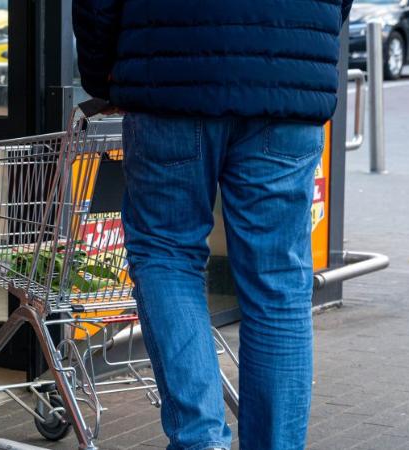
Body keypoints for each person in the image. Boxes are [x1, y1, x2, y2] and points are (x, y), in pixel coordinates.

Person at [73, 1, 353, 449]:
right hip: (287, 74)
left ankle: (201, 441)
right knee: (278, 283)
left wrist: (102, 71)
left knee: (167, 256)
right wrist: (299, 40)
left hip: (170, 70)